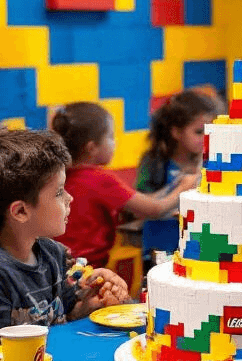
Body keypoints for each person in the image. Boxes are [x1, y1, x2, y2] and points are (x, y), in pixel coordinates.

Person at [0, 128, 128, 346]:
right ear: (20, 212)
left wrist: (96, 303)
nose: (69, 198)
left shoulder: (51, 252)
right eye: (59, 192)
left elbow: (65, 315)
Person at [52, 102, 197, 267]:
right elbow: (154, 210)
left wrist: (172, 187)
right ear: (91, 148)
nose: (114, 143)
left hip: (59, 263)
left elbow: (139, 202)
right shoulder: (100, 179)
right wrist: (183, 189)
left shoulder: (60, 174)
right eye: (111, 137)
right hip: (88, 267)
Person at [135, 89, 217, 193]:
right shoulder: (155, 162)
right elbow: (141, 202)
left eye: (210, 131)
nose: (206, 137)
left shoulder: (210, 159)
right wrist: (178, 186)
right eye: (199, 132)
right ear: (176, 132)